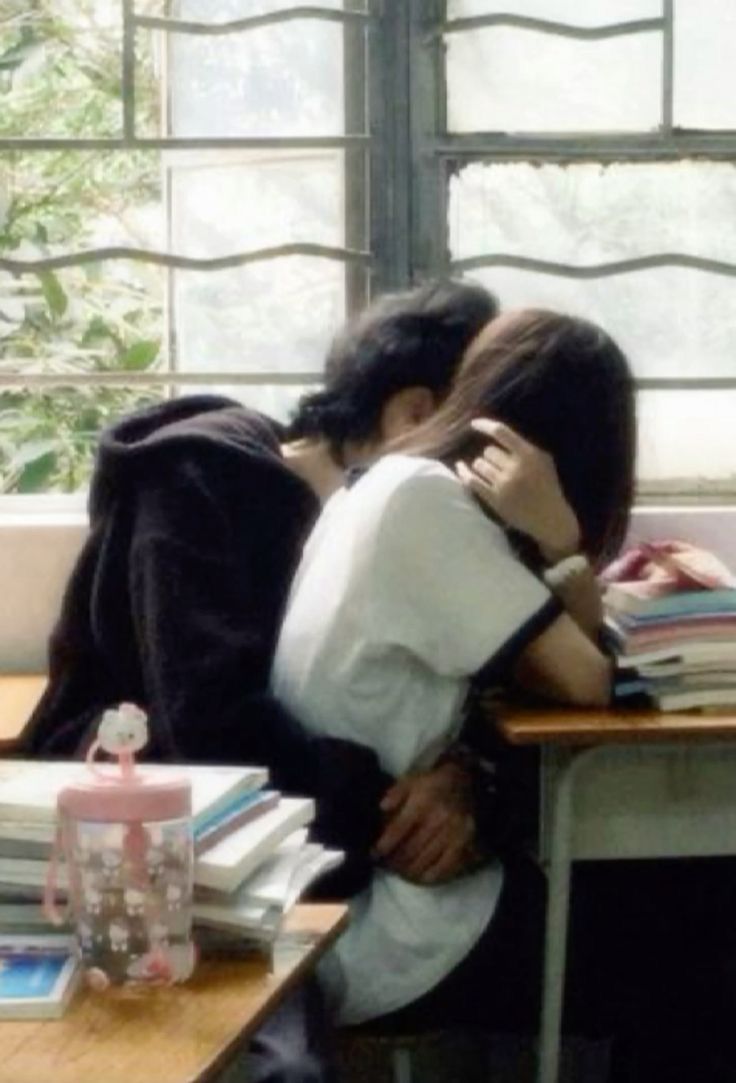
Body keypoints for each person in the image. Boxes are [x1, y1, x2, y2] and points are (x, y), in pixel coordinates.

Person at [19, 280, 500, 1083]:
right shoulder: (202, 483)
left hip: (266, 849)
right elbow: (212, 731)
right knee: (280, 1065)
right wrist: (394, 806)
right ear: (415, 415)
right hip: (139, 845)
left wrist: (465, 779)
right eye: (477, 448)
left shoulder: (370, 527)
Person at [272, 307, 635, 1040]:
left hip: (348, 890)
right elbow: (586, 680)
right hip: (387, 920)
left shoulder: (377, 486)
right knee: (690, 916)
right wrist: (561, 537)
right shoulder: (425, 503)